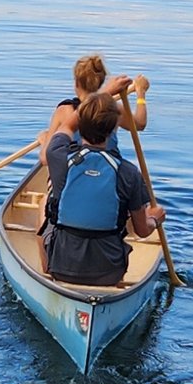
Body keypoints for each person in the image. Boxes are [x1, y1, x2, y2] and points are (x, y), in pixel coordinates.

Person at [43, 90, 162, 286]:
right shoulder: (129, 173)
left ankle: (45, 274)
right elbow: (142, 231)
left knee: (45, 215)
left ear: (80, 122)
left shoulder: (58, 155)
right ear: (114, 128)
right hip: (109, 273)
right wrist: (155, 220)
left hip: (61, 265)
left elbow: (66, 126)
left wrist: (94, 101)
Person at [46, 51, 148, 145]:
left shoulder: (64, 111)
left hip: (76, 164)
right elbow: (140, 124)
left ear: (77, 82)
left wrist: (44, 140)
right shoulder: (113, 108)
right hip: (106, 163)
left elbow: (46, 156)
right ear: (101, 82)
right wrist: (141, 93)